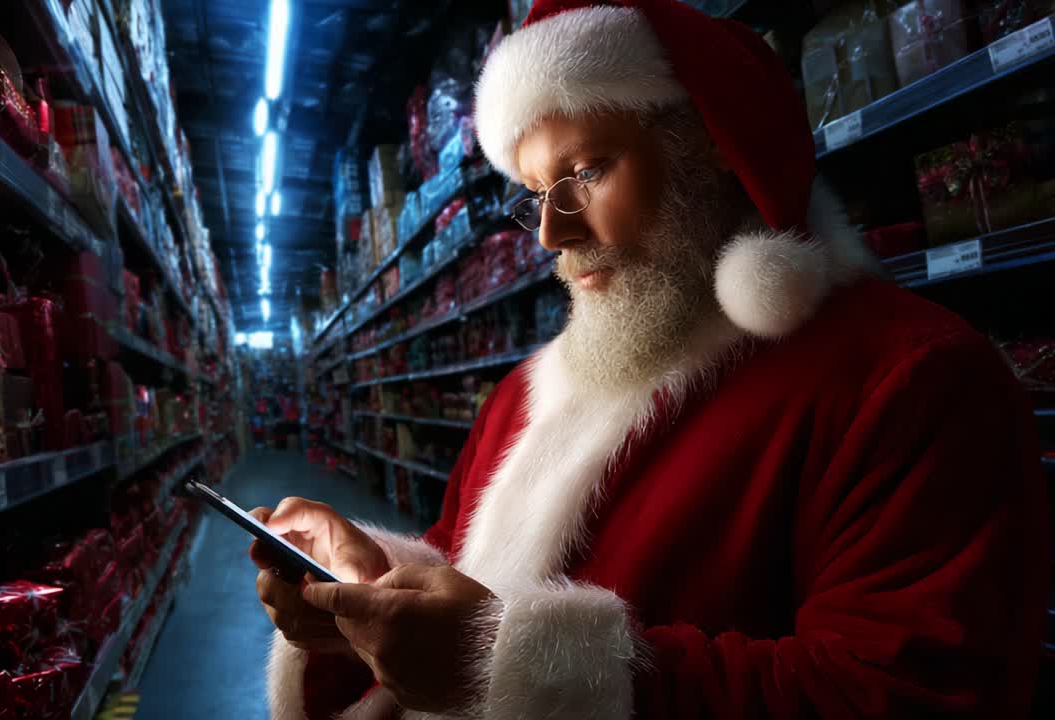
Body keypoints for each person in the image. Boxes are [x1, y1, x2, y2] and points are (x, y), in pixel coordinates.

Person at [250, 1, 1050, 718]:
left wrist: (513, 668)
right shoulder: (522, 401)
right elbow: (467, 577)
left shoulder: (911, 382)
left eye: (585, 172)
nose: (550, 234)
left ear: (709, 147)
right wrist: (362, 591)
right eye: (535, 194)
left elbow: (907, 689)